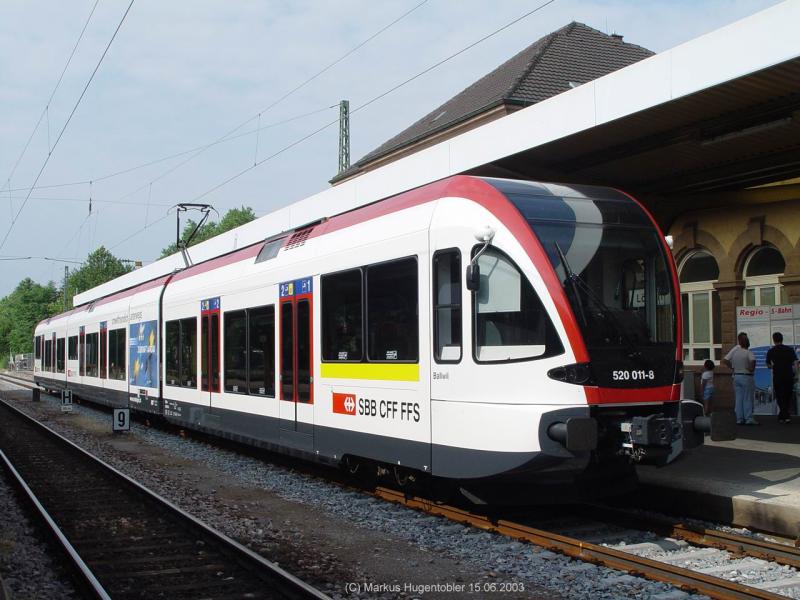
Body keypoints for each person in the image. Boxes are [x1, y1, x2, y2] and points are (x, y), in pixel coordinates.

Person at [722, 332, 757, 425]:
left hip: (736, 376)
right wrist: (750, 368)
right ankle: (749, 418)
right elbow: (752, 363)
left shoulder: (735, 352)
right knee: (747, 398)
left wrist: (733, 368)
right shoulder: (749, 352)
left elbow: (725, 360)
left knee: (739, 398)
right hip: (746, 377)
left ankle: (739, 418)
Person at [766, 332, 799, 423]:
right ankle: (785, 415)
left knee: (780, 396)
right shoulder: (789, 349)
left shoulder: (771, 351)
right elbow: (795, 362)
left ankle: (783, 415)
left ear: (773, 340)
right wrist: (796, 375)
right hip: (788, 376)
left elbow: (768, 365)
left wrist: (774, 366)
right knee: (788, 395)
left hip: (777, 376)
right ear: (782, 339)